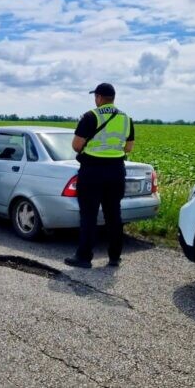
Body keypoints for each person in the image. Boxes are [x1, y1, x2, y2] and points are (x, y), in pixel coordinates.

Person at [64, 83, 135, 269]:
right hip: (116, 171)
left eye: (95, 96)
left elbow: (76, 145)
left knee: (89, 215)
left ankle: (84, 257)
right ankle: (114, 257)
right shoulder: (126, 119)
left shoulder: (90, 116)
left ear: (99, 97)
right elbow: (128, 147)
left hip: (92, 171)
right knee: (114, 215)